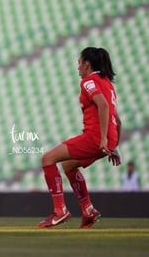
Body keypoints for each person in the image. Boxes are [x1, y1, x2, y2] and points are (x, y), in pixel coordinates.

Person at [38, 47, 122, 229]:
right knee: (68, 165)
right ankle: (88, 210)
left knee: (47, 159)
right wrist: (113, 144)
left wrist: (102, 140)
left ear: (87, 64)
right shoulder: (107, 83)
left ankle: (60, 211)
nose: (78, 69)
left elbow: (104, 106)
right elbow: (117, 118)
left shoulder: (89, 82)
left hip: (95, 137)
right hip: (109, 137)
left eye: (79, 64)